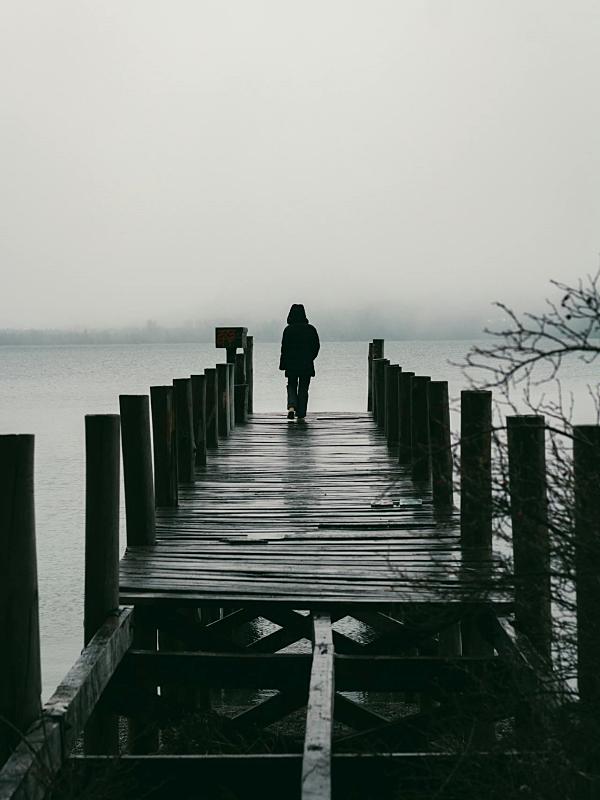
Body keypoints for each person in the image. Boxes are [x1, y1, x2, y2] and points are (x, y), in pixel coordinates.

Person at [279, 304, 320, 422]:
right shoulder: (311, 329)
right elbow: (316, 346)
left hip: (291, 364)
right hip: (306, 364)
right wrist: (310, 357)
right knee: (303, 387)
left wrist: (283, 364)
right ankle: (301, 413)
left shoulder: (288, 330)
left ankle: (291, 407)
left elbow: (284, 349)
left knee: (291, 385)